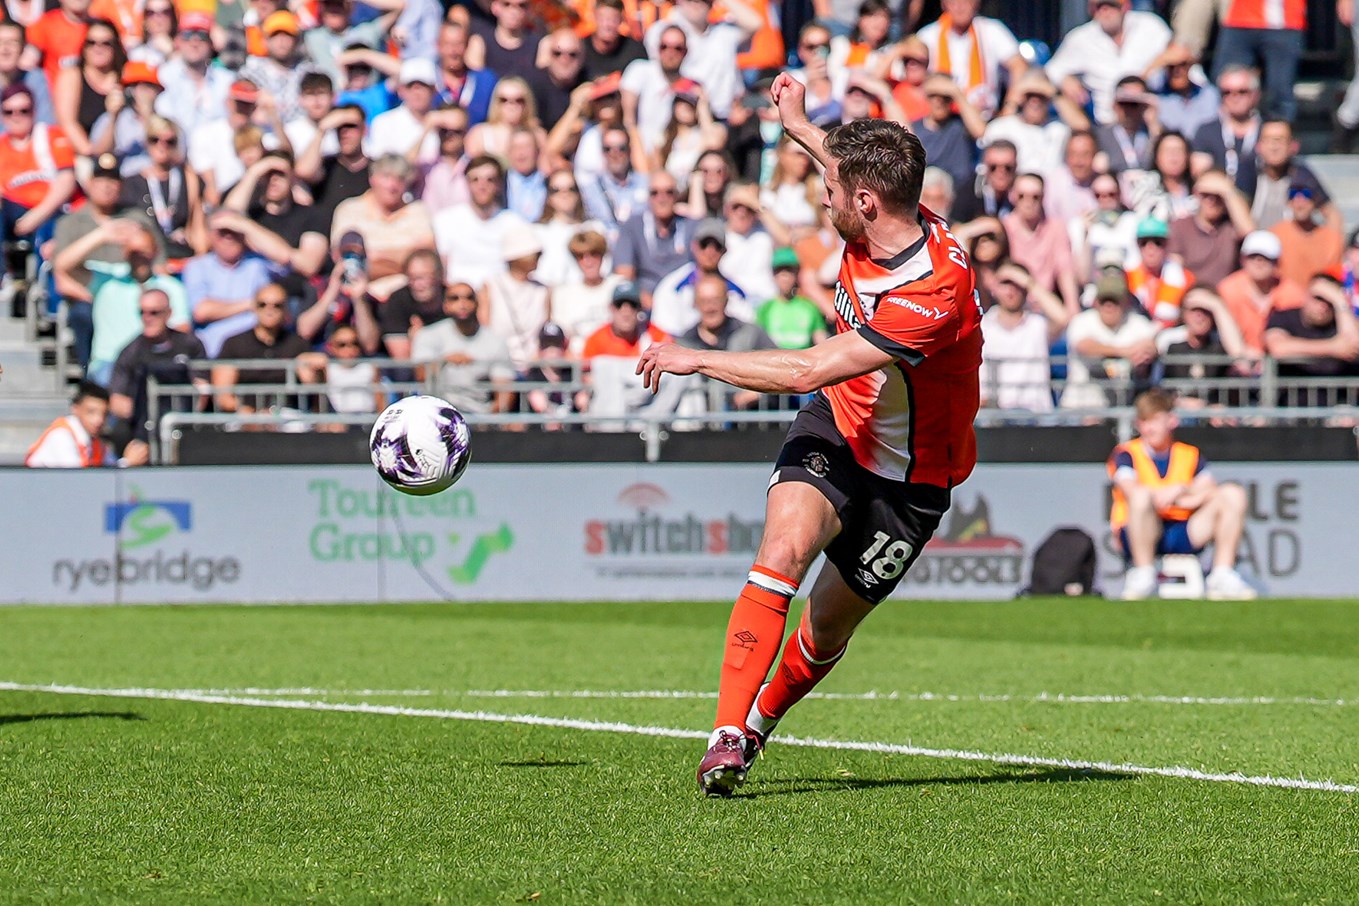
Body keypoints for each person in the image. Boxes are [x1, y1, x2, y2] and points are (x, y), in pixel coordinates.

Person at [637, 73, 981, 797]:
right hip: (838, 421)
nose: (819, 197)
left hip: (913, 477)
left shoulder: (932, 289)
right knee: (782, 551)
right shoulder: (887, 203)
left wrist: (693, 356)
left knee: (824, 629)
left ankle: (758, 723)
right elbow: (839, 158)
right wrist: (795, 119)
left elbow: (805, 369)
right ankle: (724, 735)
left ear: (865, 202)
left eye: (830, 191)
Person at [1110, 388, 1255, 600]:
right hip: (1140, 530)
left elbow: (1208, 488)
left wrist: (1180, 490)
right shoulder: (1126, 454)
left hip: (1182, 528)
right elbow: (1131, 489)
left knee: (1233, 494)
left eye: (1155, 420)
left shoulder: (1189, 454)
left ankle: (1222, 574)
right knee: (1141, 498)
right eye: (1144, 422)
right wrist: (1172, 496)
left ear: (1171, 421)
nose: (1149, 428)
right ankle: (1143, 573)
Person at [1043, 0, 1171, 126]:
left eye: (1111, 5)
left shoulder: (1150, 25)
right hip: (1107, 122)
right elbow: (1051, 70)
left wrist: (1146, 74)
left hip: (1150, 117)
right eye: (1098, 7)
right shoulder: (1080, 37)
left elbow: (1178, 51)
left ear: (1125, 6)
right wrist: (1065, 80)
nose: (1105, 11)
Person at [107, 286, 206, 447]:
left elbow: (202, 388)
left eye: (154, 312)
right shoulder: (131, 351)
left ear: (168, 313)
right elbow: (117, 399)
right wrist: (148, 416)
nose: (147, 318)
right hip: (142, 427)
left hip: (185, 422)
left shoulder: (189, 345)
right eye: (142, 312)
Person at [211, 282, 327, 414]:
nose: (269, 310)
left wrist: (314, 369)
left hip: (289, 417)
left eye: (277, 305)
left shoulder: (299, 344)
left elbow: (314, 388)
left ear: (286, 309)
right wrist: (250, 413)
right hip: (245, 418)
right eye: (263, 304)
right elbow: (223, 396)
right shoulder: (234, 343)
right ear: (254, 307)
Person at [411, 280, 515, 415]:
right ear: (445, 305)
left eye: (469, 298)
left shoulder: (495, 341)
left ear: (477, 304)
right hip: (437, 414)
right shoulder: (428, 335)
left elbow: (504, 388)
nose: (462, 304)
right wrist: (445, 360)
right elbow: (421, 375)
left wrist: (493, 420)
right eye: (454, 298)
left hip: (479, 415)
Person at [979, 259, 1068, 412]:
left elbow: (1063, 318)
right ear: (994, 287)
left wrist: (1028, 282)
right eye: (1005, 283)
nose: (1011, 291)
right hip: (994, 417)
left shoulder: (1037, 324)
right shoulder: (983, 325)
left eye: (1017, 284)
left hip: (1036, 415)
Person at [1062, 271, 1157, 408]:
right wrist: (1124, 352)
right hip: (1082, 405)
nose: (1109, 306)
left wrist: (1144, 354)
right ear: (1096, 302)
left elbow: (1150, 346)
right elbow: (1084, 346)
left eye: (1114, 300)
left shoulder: (1138, 322)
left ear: (1125, 301)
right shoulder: (1081, 321)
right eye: (1104, 300)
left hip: (1125, 405)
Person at [915, 0, 1024, 118]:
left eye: (965, 1)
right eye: (953, 2)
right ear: (943, 4)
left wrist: (1010, 107)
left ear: (977, 3)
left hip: (984, 116)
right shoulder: (927, 35)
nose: (959, 7)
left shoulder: (992, 30)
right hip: (941, 118)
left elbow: (1019, 66)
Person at [1263, 273, 1359, 406]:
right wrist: (1333, 348)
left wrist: (1340, 301)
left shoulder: (1341, 323)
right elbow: (1278, 348)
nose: (1323, 306)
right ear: (1306, 294)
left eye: (1329, 301)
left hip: (1336, 410)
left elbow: (1354, 345)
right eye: (1318, 298)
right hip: (1288, 409)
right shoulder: (1284, 317)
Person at [1216, 229, 1306, 357]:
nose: (1259, 262)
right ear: (1243, 260)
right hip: (1235, 363)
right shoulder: (1227, 290)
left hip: (1282, 364)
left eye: (1266, 257)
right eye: (1252, 256)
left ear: (1277, 263)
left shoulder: (1294, 294)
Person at [26, 380, 147, 467]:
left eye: (104, 414)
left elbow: (109, 467)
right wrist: (126, 463)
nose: (98, 420)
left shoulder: (95, 442)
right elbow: (79, 479)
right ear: (75, 409)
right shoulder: (61, 436)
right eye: (91, 412)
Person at [1270, 182, 1343, 291]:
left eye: (1306, 195)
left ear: (1316, 201)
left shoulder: (1332, 238)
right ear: (1288, 202)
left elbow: (1333, 278)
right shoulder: (1275, 235)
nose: (1300, 203)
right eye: (1293, 195)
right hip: (1285, 301)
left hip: (1319, 300)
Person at [756, 247, 826, 351]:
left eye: (789, 271)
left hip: (803, 362)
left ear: (796, 274)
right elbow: (757, 342)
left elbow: (822, 342)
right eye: (779, 271)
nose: (785, 277)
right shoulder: (765, 308)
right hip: (774, 362)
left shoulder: (809, 307)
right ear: (773, 275)